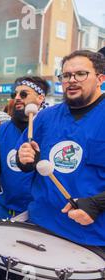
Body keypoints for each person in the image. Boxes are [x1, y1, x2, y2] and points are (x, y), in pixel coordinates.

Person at [17, 50, 105, 248]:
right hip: (41, 227)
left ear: (100, 78)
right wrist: (23, 159)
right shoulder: (45, 117)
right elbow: (22, 162)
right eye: (66, 75)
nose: (71, 80)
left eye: (81, 74)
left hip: (92, 238)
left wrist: (98, 203)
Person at [0, 76, 50, 220]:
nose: (17, 98)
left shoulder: (50, 129)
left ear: (40, 98)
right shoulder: (1, 130)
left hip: (37, 214)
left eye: (24, 94)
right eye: (14, 94)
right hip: (4, 209)